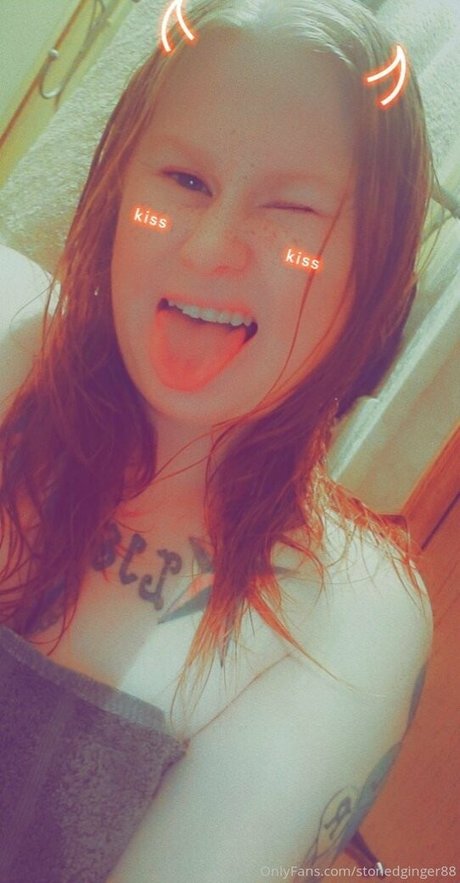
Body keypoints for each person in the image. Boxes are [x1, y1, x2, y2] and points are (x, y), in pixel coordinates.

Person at [0, 0, 435, 880]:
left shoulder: (344, 614)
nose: (208, 248)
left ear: (376, 272)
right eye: (184, 181)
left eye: (292, 209)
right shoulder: (12, 347)